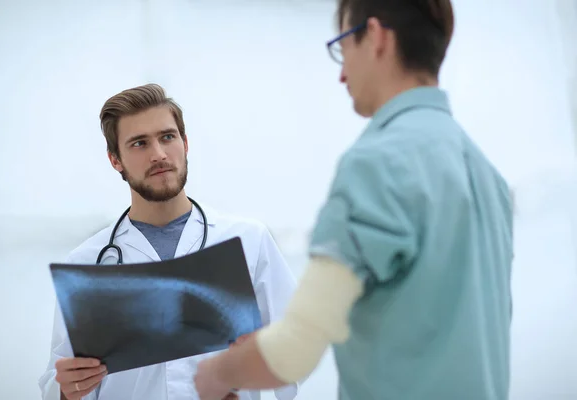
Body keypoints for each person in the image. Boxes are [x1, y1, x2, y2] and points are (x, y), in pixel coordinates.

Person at [193, 1, 514, 399]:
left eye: (343, 47)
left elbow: (295, 350)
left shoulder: (377, 164)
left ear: (376, 37)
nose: (342, 74)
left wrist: (216, 372)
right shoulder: (485, 172)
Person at [38, 84, 301, 400]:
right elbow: (56, 383)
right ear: (115, 160)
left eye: (167, 137)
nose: (159, 154)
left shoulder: (248, 240)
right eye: (139, 143)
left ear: (185, 143)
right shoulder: (87, 262)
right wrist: (68, 389)